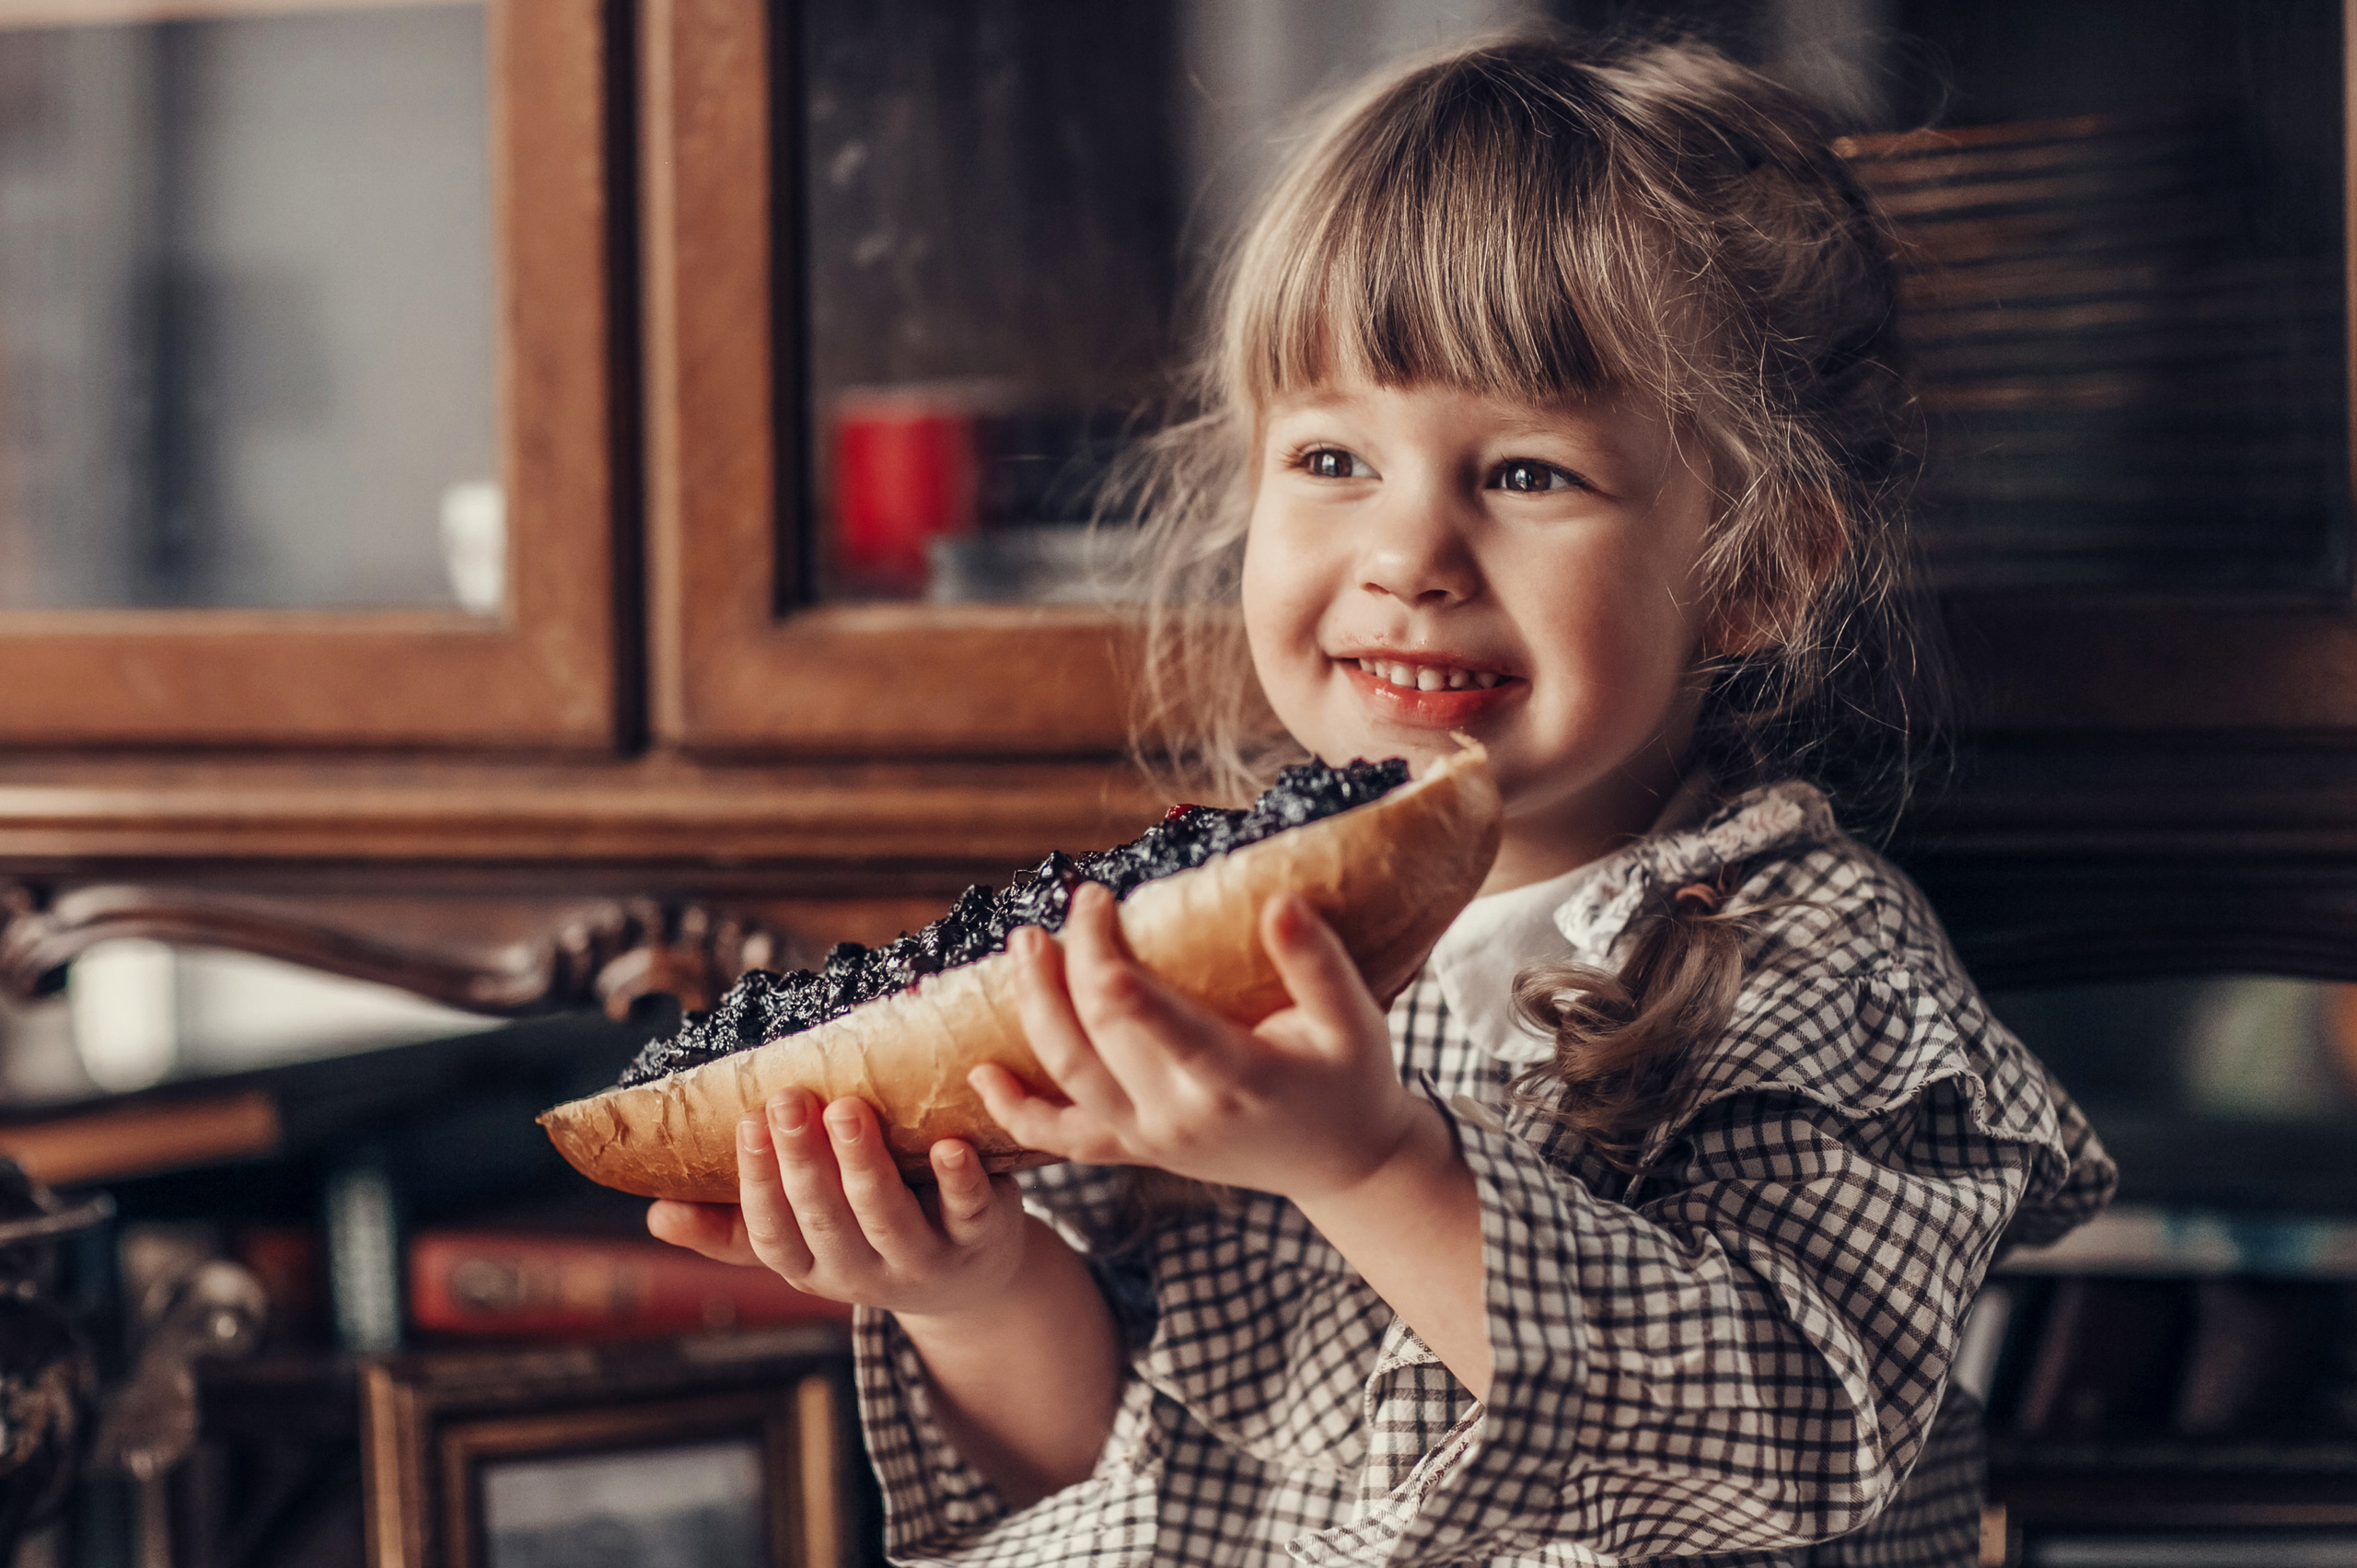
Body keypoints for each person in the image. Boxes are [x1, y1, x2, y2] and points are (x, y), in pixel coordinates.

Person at [651, 33, 2115, 1568]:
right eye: (1335, 455)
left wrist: (1367, 1165)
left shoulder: (1815, 966)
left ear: (1754, 569)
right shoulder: (1204, 955)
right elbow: (1124, 1479)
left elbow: (1798, 1441)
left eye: (1532, 474)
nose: (1409, 554)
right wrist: (980, 1290)